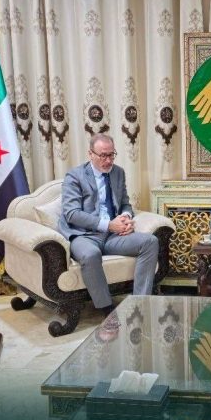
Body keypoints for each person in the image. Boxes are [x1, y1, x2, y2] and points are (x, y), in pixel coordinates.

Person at [58, 133, 158, 315]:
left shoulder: (118, 172)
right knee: (90, 254)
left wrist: (126, 217)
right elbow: (72, 214)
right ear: (90, 154)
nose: (108, 160)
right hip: (84, 235)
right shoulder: (75, 176)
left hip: (113, 236)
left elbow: (125, 203)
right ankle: (106, 308)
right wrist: (109, 225)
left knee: (150, 242)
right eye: (103, 155)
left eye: (111, 155)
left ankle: (140, 303)